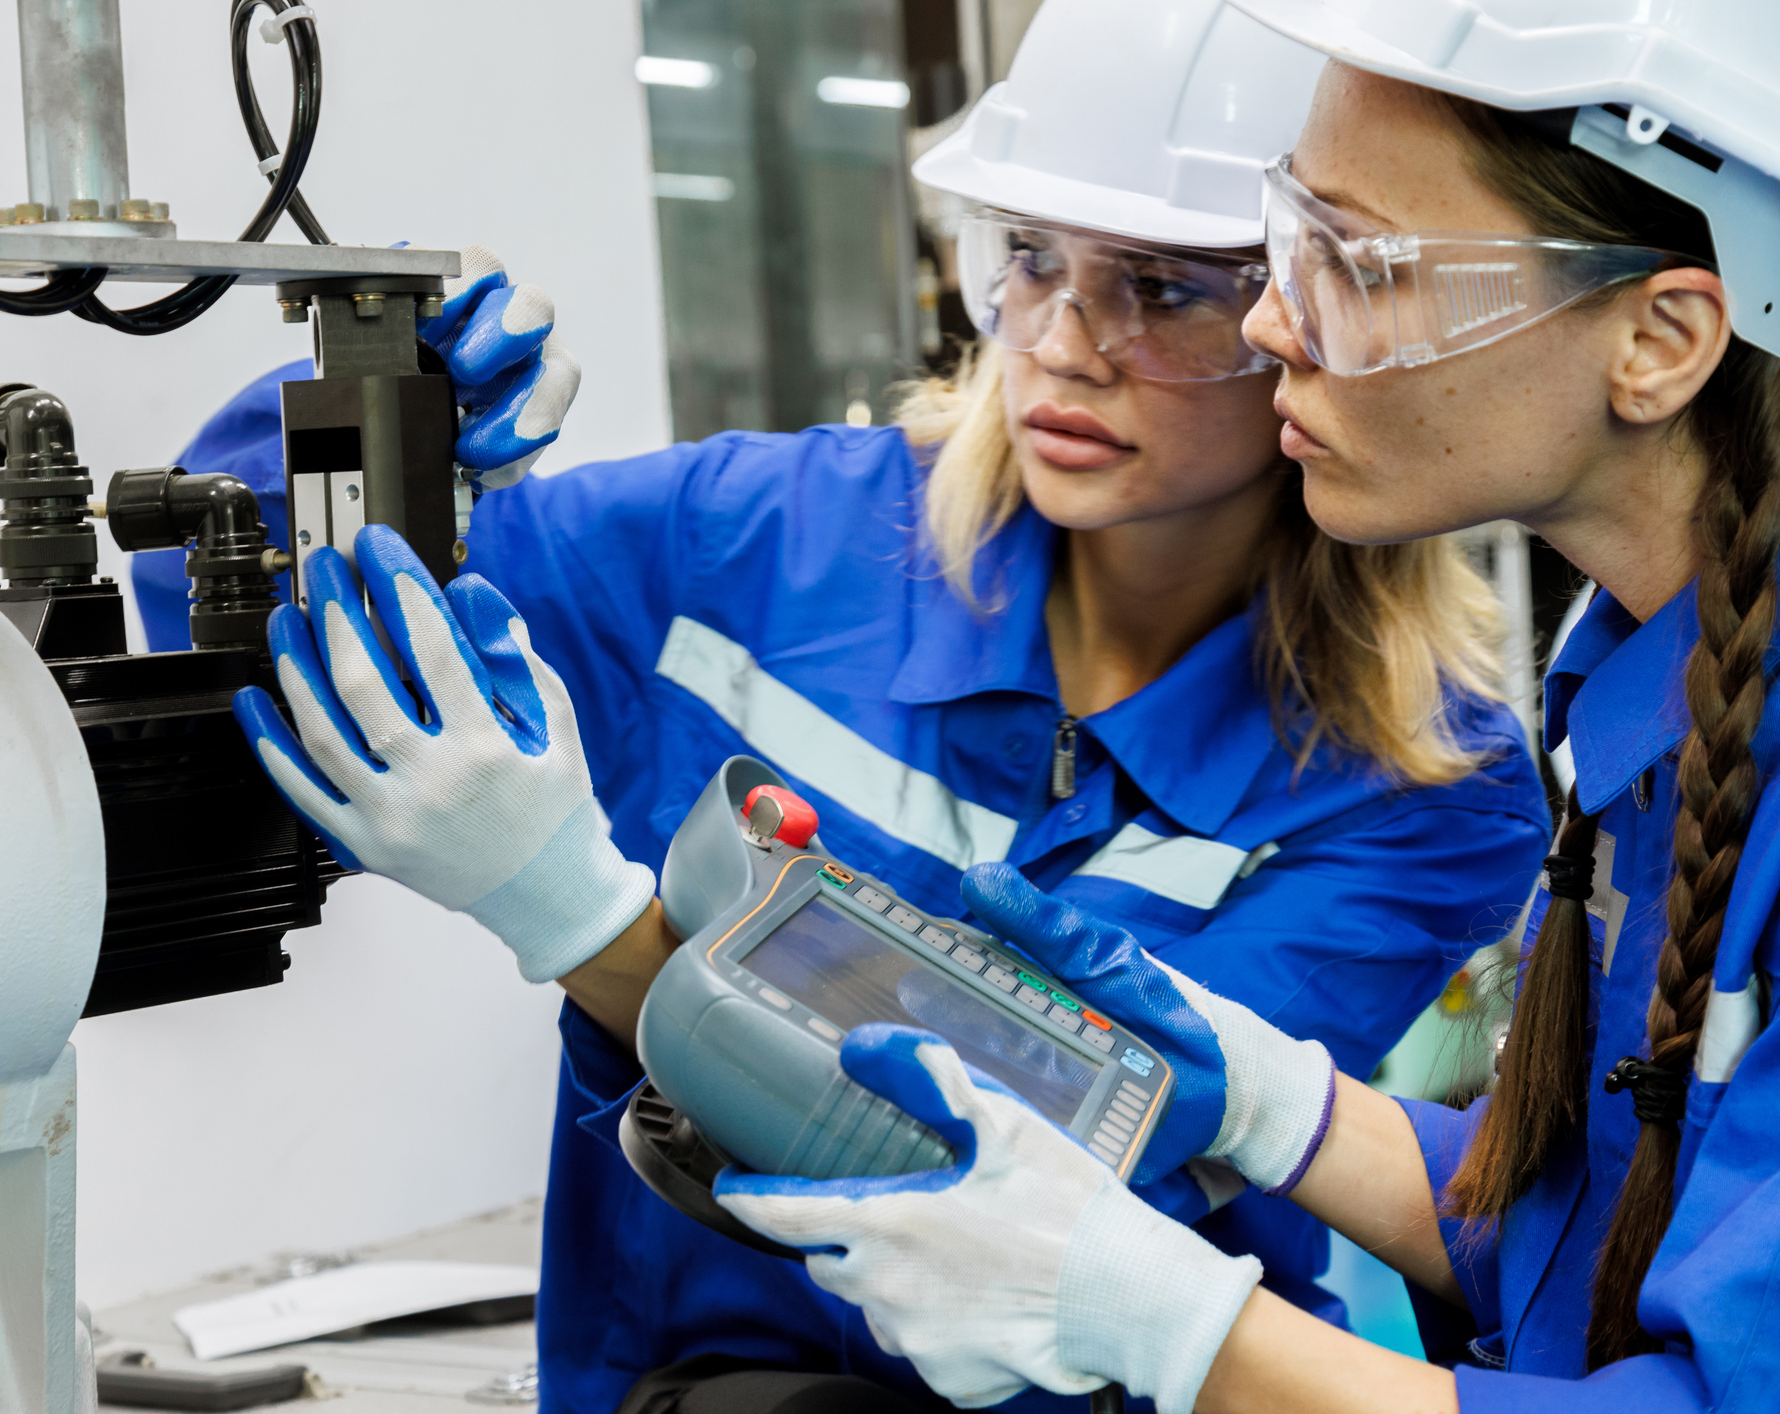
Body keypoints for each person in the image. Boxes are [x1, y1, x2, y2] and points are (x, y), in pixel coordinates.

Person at [187, 5, 1552, 1409]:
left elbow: (1040, 1130)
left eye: (1160, 286)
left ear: (1303, 320)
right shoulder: (764, 541)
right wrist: (359, 431)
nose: (1064, 344)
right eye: (1027, 258)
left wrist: (577, 917)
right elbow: (229, 618)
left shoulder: (1422, 779)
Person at [709, 5, 1780, 1412]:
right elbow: (1574, 1254)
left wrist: (1163, 1324)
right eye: (1288, 242)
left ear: (1658, 339)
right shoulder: (1638, 686)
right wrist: (1273, 1101)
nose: (1271, 318)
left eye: (1354, 262)